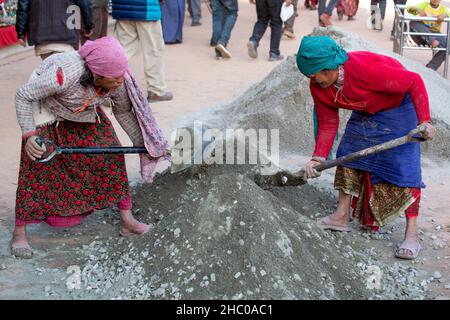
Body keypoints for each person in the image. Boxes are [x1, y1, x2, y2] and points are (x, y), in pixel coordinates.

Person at [11, 37, 170, 259]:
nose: (120, 81)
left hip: (83, 109)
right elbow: (23, 95)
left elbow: (123, 111)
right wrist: (29, 135)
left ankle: (127, 221)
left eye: (120, 76)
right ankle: (19, 233)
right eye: (114, 79)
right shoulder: (62, 75)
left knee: (110, 156)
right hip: (44, 107)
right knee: (37, 166)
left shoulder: (116, 78)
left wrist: (144, 144)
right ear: (97, 75)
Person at [296, 36, 436, 260]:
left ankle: (412, 234)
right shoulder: (319, 86)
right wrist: (318, 157)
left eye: (315, 74)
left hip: (398, 107)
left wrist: (425, 122)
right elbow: (328, 122)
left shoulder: (366, 71)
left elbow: (413, 81)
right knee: (348, 155)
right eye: (309, 76)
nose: (313, 80)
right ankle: (341, 216)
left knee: (404, 167)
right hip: (366, 109)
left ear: (331, 67)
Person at [112, 0, 174, 103]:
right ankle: (156, 90)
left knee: (122, 51)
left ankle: (108, 88)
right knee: (154, 52)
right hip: (146, 9)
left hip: (122, 8)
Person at [15, 0, 93, 60]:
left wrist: (21, 32)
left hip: (42, 34)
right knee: (65, 73)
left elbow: (23, 7)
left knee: (50, 71)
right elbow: (85, 4)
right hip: (66, 33)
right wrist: (88, 26)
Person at [408, 0, 450, 71]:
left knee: (448, 44)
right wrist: (418, 9)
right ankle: (432, 40)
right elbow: (409, 8)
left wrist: (445, 15)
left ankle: (431, 66)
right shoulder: (424, 5)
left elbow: (448, 12)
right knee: (413, 22)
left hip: (435, 33)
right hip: (421, 34)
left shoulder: (443, 9)